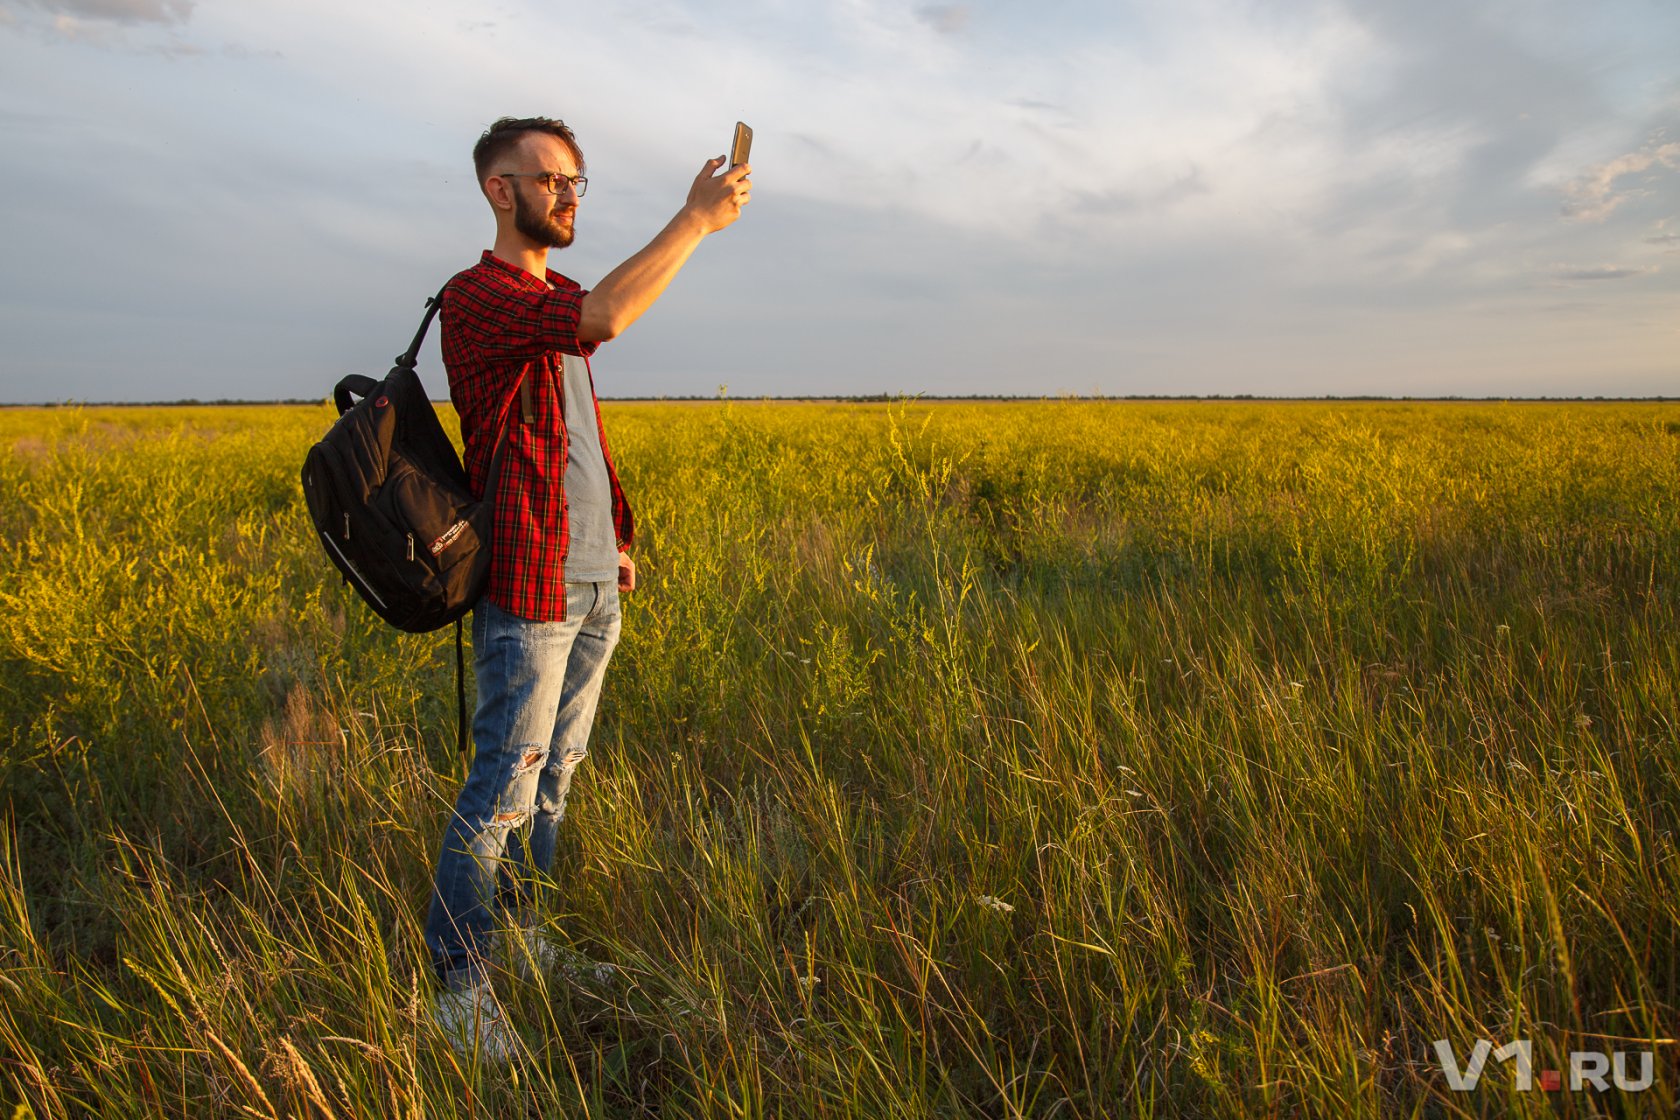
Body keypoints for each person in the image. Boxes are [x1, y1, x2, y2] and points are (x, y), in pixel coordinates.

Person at [424, 115, 751, 1060]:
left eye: (577, 181)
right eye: (552, 179)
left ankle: (524, 943)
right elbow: (606, 315)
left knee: (555, 779)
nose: (570, 196)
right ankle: (460, 986)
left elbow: (570, 430)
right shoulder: (477, 296)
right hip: (530, 583)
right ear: (500, 190)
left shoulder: (555, 293)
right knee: (505, 784)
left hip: (592, 574)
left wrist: (617, 536)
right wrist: (694, 219)